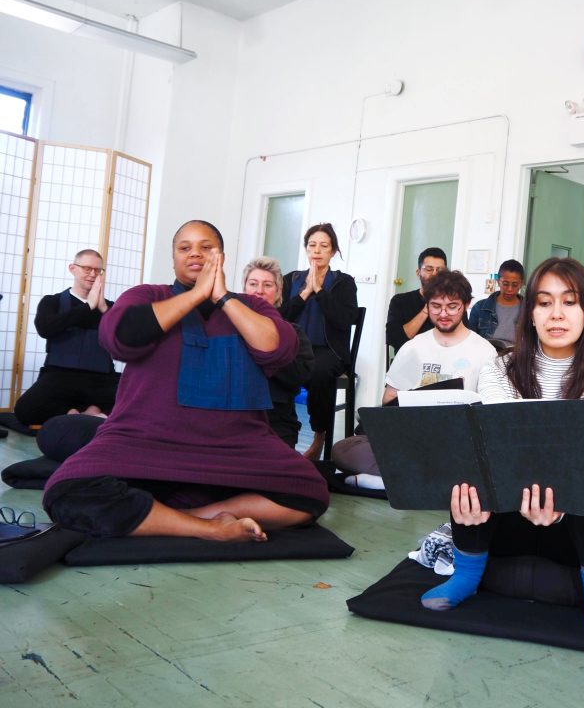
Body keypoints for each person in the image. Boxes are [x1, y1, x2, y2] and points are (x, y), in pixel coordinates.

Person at [42, 220, 328, 542]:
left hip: (237, 445)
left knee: (310, 492)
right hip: (145, 439)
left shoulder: (252, 306)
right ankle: (209, 528)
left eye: (206, 247)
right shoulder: (148, 295)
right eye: (185, 247)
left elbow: (276, 349)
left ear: (221, 256)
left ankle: (173, 518)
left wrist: (221, 297)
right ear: (174, 257)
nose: (195, 254)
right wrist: (194, 296)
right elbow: (117, 336)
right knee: (67, 490)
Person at [420, 257, 584, 638]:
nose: (556, 314)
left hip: (574, 521)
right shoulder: (498, 369)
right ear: (530, 312)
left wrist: (556, 495)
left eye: (569, 302)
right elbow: (501, 436)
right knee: (475, 452)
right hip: (507, 515)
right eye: (544, 302)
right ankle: (465, 576)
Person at [332, 270, 496, 489]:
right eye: (436, 306)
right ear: (426, 306)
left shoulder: (485, 351)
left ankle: (394, 480)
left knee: (483, 458)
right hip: (413, 439)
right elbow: (388, 398)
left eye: (452, 306)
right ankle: (429, 479)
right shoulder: (414, 347)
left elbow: (492, 411)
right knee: (344, 449)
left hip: (459, 444)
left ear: (466, 304)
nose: (444, 313)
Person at [280, 223, 359, 460]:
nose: (317, 250)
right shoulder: (290, 279)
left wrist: (320, 292)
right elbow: (281, 316)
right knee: (272, 368)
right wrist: (305, 293)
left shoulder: (343, 282)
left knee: (318, 371)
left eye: (324, 246)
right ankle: (279, 434)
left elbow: (345, 320)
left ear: (333, 251)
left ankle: (319, 436)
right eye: (312, 245)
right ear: (306, 249)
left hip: (329, 351)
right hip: (295, 346)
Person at [14, 249, 120, 425]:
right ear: (73, 268)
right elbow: (45, 329)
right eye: (87, 268)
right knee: (25, 409)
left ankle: (91, 411)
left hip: (100, 379)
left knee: (139, 396)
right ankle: (76, 414)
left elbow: (124, 337)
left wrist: (103, 309)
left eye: (98, 270)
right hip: (61, 375)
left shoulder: (109, 307)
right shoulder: (52, 301)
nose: (92, 274)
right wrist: (88, 307)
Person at [243, 256, 315, 449]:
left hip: (276, 420)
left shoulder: (293, 333)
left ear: (278, 292)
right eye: (253, 284)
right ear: (244, 288)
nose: (259, 291)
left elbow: (301, 374)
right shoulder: (226, 327)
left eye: (267, 285)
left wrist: (267, 349)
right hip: (232, 417)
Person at [386, 247, 447, 353]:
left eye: (439, 270)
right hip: (409, 361)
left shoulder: (453, 304)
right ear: (418, 272)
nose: (435, 274)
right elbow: (395, 340)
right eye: (429, 269)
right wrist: (426, 310)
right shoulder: (400, 301)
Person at [468, 259, 524, 345]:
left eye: (515, 285)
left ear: (521, 284)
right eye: (505, 284)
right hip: (486, 354)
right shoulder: (480, 308)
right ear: (498, 281)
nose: (510, 289)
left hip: (517, 356)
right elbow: (470, 339)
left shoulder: (529, 310)